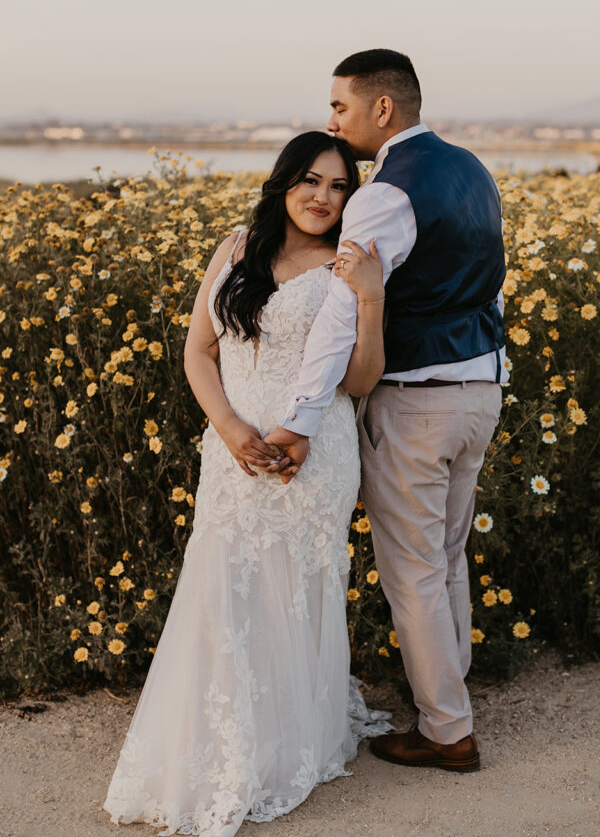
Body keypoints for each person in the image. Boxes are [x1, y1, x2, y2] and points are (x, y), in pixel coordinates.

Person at [103, 131, 391, 837]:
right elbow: (198, 350)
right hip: (231, 448)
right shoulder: (236, 247)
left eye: (338, 186)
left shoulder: (347, 265)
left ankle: (291, 734)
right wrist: (229, 428)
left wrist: (373, 298)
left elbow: (358, 382)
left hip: (314, 456)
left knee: (293, 590)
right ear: (283, 183)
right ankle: (217, 733)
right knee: (222, 586)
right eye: (310, 181)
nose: (323, 197)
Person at [265, 49, 507, 773]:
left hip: (416, 401)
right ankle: (448, 699)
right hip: (479, 390)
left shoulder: (382, 194)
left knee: (411, 571)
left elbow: (341, 316)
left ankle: (445, 731)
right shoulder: (473, 170)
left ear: (381, 108)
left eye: (339, 106)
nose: (331, 119)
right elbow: (489, 287)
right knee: (445, 557)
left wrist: (300, 419)